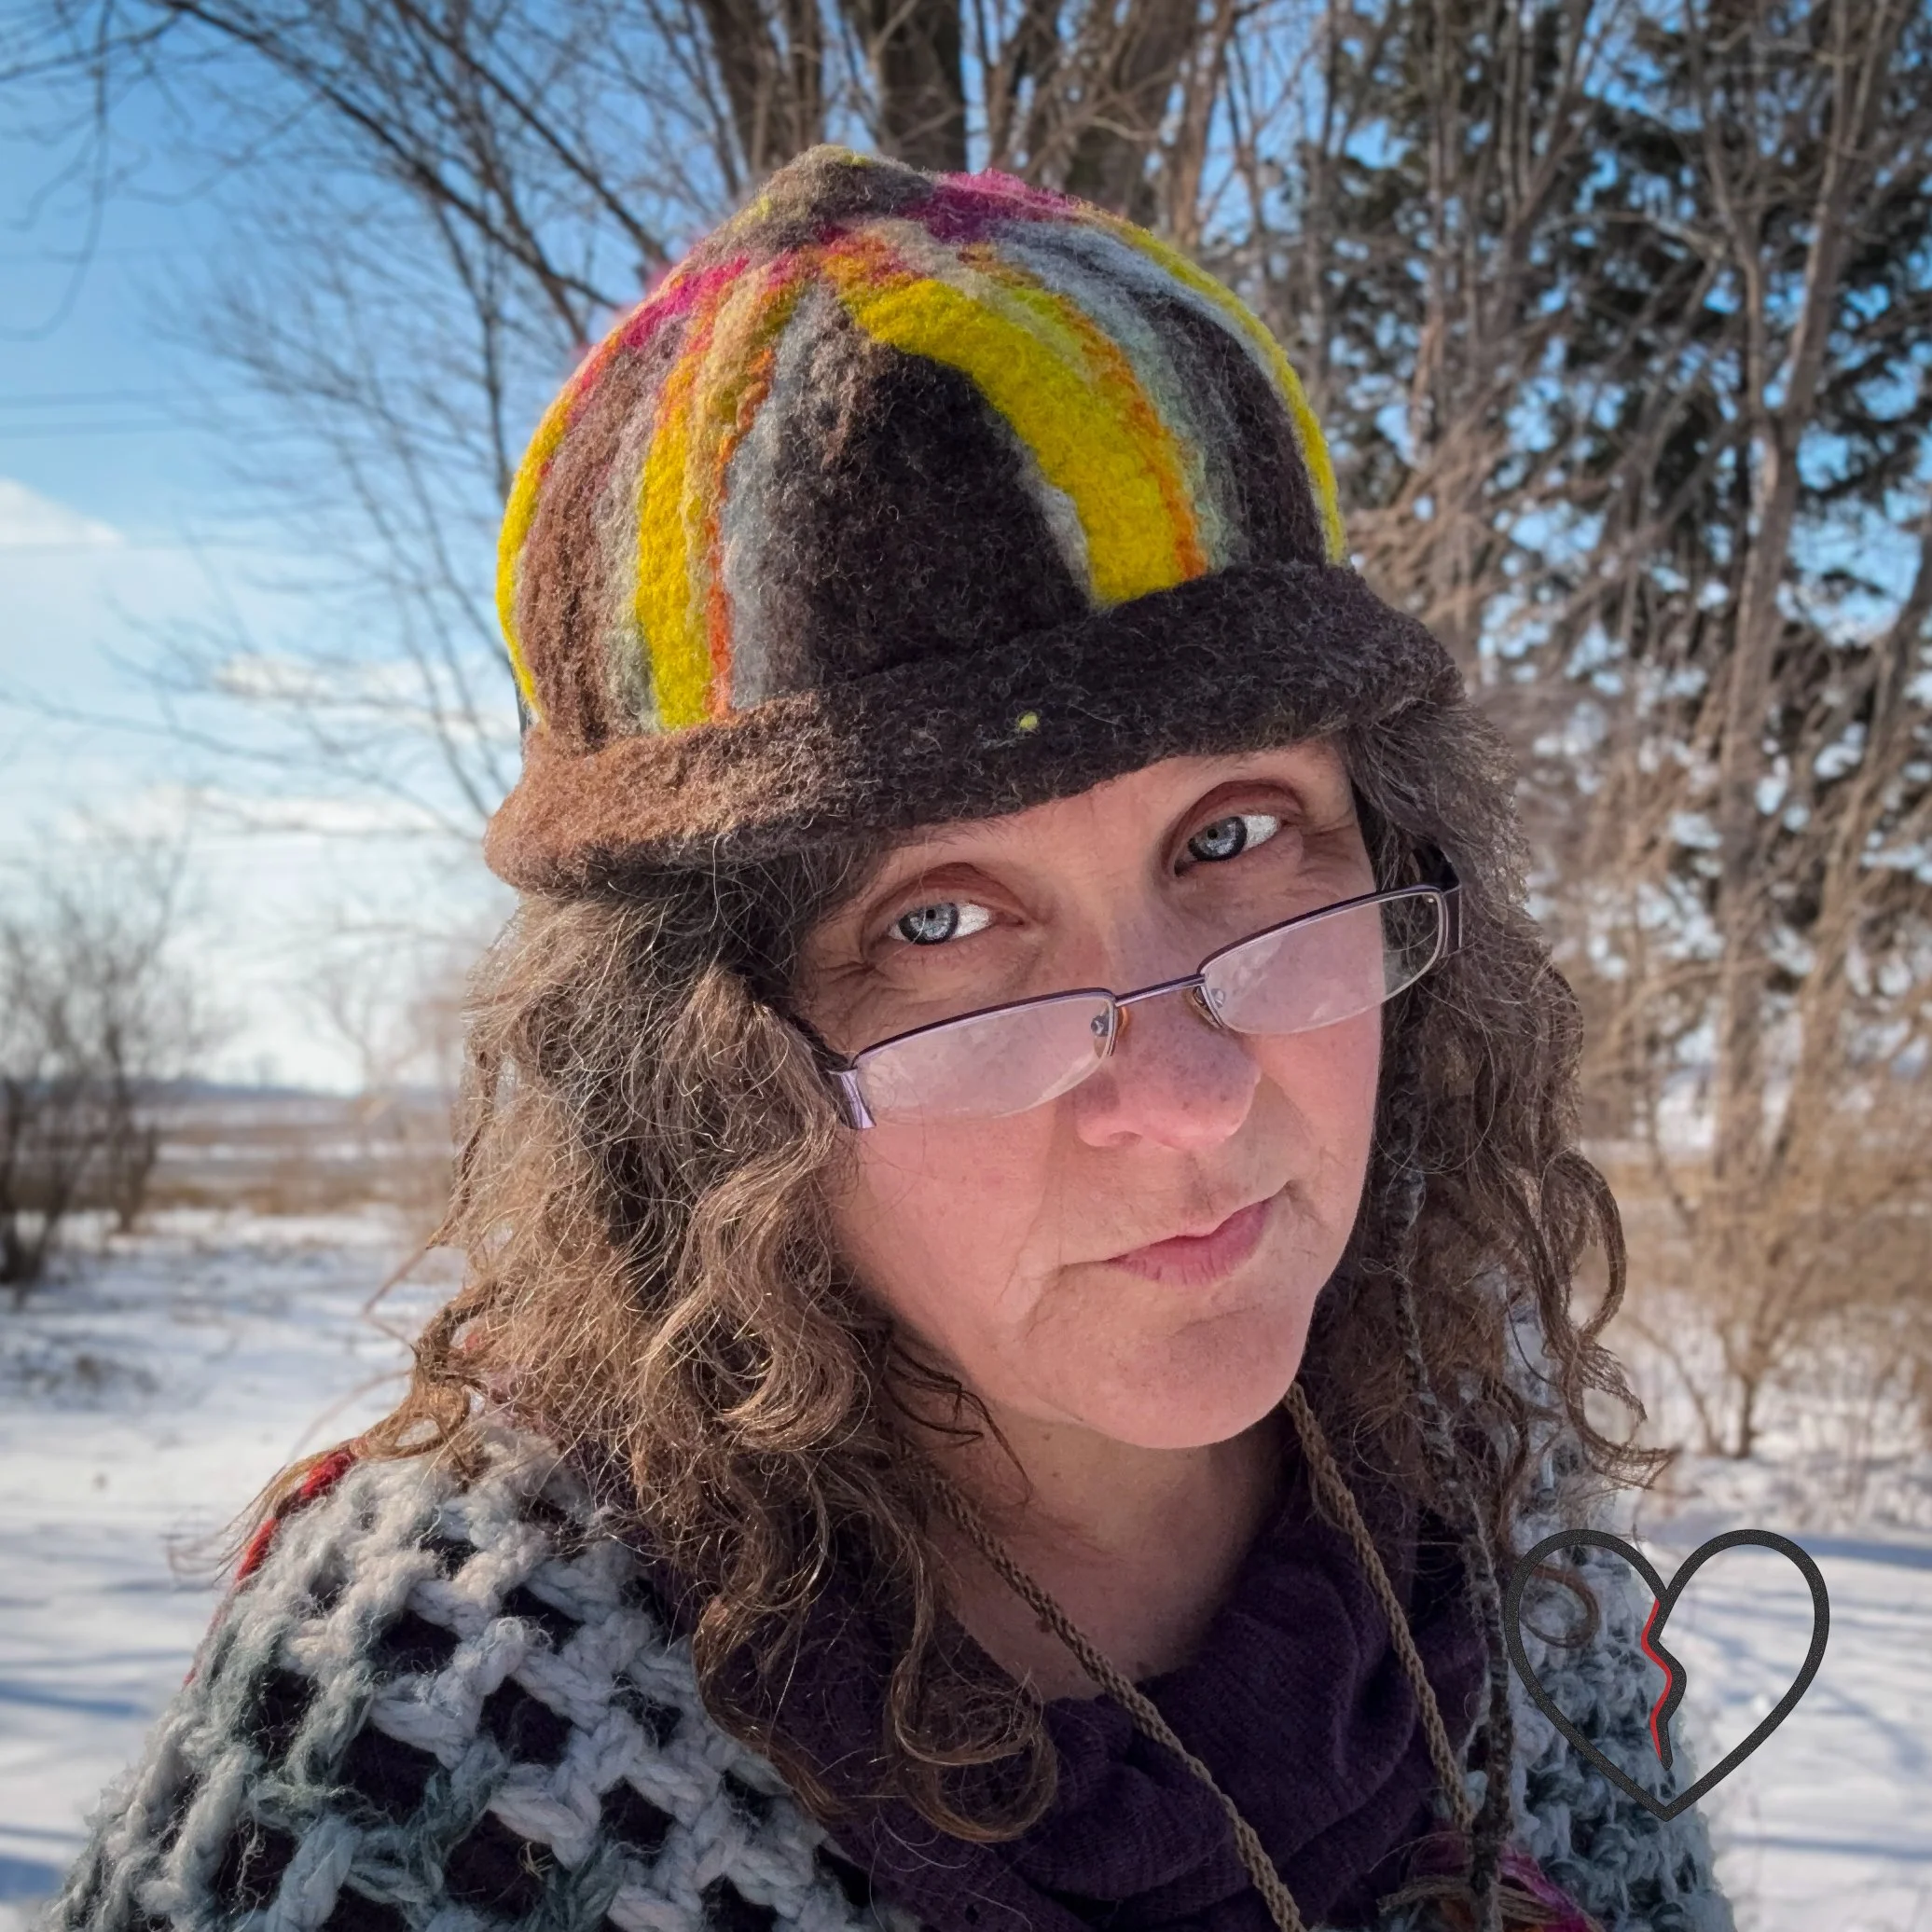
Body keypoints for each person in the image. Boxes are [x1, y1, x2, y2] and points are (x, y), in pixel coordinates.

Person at [48, 147, 1732, 1932]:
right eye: (939, 925)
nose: (1183, 1093)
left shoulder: (1508, 1548)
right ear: (707, 1077)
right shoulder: (435, 1735)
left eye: (1233, 838)